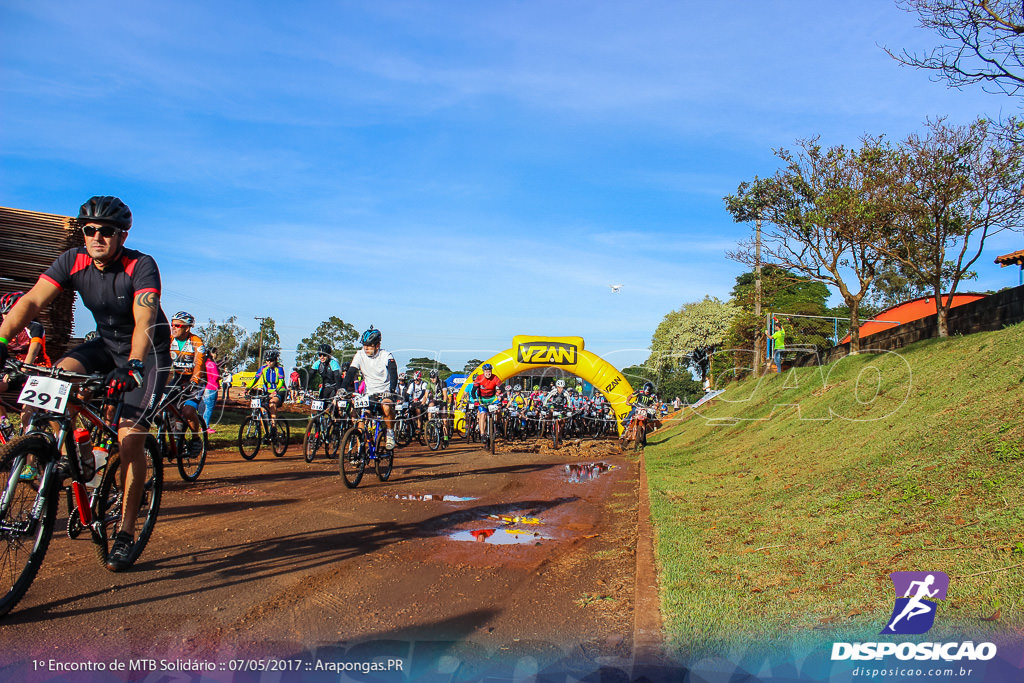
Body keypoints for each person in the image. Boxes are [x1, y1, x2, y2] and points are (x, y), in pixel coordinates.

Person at [0, 196, 171, 572]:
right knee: (55, 378)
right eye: (89, 230)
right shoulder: (73, 259)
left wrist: (135, 365)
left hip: (148, 352)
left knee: (130, 438)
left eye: (106, 231)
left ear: (122, 234)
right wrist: (0, 342)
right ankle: (68, 457)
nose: (96, 237)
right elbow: (30, 303)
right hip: (104, 345)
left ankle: (125, 531)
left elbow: (144, 321)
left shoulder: (139, 266)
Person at [0, 291, 52, 438]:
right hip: (18, 370)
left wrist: (23, 369)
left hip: (38, 369)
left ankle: (28, 447)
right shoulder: (5, 331)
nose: (5, 317)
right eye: (3, 314)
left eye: (9, 313)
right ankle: (5, 428)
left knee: (27, 411)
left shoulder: (34, 327)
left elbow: (33, 352)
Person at [341, 326, 399, 448]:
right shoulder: (360, 354)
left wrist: (392, 390)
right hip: (369, 393)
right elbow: (351, 372)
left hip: (385, 391)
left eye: (369, 345)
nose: (366, 348)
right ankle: (359, 450)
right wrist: (343, 388)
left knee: (386, 407)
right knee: (361, 417)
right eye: (364, 345)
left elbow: (393, 373)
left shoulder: (385, 355)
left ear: (377, 346)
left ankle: (389, 433)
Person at [167, 311, 207, 443]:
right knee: (162, 406)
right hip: (178, 378)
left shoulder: (196, 341)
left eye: (177, 325)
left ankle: (196, 439)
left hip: (196, 380)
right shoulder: (170, 340)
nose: (173, 327)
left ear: (187, 328)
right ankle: (176, 432)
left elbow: (199, 363)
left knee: (188, 411)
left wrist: (194, 380)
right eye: (172, 324)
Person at [244, 350, 287, 428]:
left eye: (271, 360)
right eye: (267, 360)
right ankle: (264, 426)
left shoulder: (279, 369)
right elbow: (255, 379)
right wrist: (247, 389)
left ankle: (274, 426)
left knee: (272, 403)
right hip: (267, 392)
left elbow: (281, 381)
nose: (269, 362)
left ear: (275, 360)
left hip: (280, 391)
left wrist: (275, 391)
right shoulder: (263, 368)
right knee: (261, 406)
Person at [471, 363, 502, 445]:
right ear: (483, 372)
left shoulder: (495, 377)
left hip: (492, 398)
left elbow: (502, 388)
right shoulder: (479, 378)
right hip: (482, 399)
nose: (488, 373)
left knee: (499, 409)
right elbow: (473, 391)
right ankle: (482, 434)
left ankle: (497, 424)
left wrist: (504, 398)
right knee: (483, 414)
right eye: (486, 371)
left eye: (489, 371)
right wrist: (475, 400)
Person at [202, 347, 220, 433]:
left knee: (206, 407)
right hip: (212, 388)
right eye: (216, 353)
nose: (217, 355)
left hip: (206, 387)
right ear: (212, 354)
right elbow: (216, 376)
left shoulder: (205, 363)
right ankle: (206, 426)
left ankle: (204, 425)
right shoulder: (212, 364)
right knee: (209, 408)